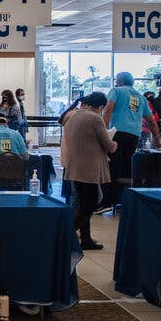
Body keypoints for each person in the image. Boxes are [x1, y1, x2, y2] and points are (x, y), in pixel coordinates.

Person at [100, 72, 161, 212]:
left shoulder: (116, 91)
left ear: (120, 81)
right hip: (134, 135)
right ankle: (124, 201)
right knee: (127, 166)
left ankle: (107, 202)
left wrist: (103, 128)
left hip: (117, 132)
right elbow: (151, 121)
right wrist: (158, 139)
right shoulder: (141, 97)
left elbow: (108, 108)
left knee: (112, 164)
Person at [63, 93, 117, 250]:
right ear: (100, 107)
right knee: (90, 205)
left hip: (75, 167)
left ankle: (86, 239)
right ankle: (64, 233)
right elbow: (107, 143)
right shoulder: (94, 118)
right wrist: (115, 144)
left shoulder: (73, 115)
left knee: (82, 204)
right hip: (89, 168)